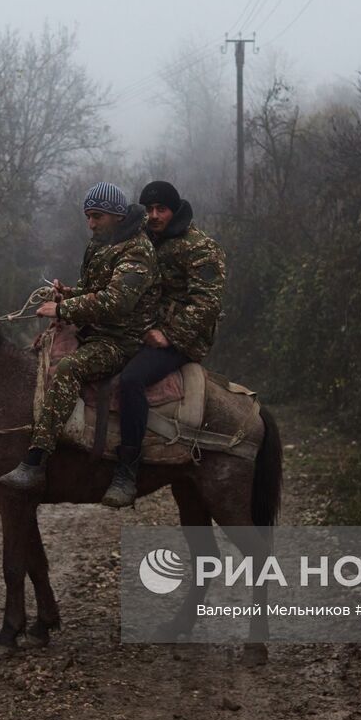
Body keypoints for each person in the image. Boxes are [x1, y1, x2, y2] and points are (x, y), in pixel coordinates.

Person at [0, 182, 159, 492]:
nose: (91, 223)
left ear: (117, 215)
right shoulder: (102, 243)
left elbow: (117, 301)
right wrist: (68, 294)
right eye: (88, 216)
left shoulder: (137, 250)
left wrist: (63, 309)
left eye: (97, 216)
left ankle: (36, 460)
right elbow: (94, 290)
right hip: (95, 329)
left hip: (120, 340)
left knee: (68, 368)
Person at [102, 180, 227, 507]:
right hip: (143, 329)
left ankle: (128, 471)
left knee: (132, 379)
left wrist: (170, 335)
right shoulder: (143, 240)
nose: (155, 215)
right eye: (150, 209)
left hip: (182, 338)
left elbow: (207, 302)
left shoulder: (200, 247)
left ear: (174, 209)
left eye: (162, 209)